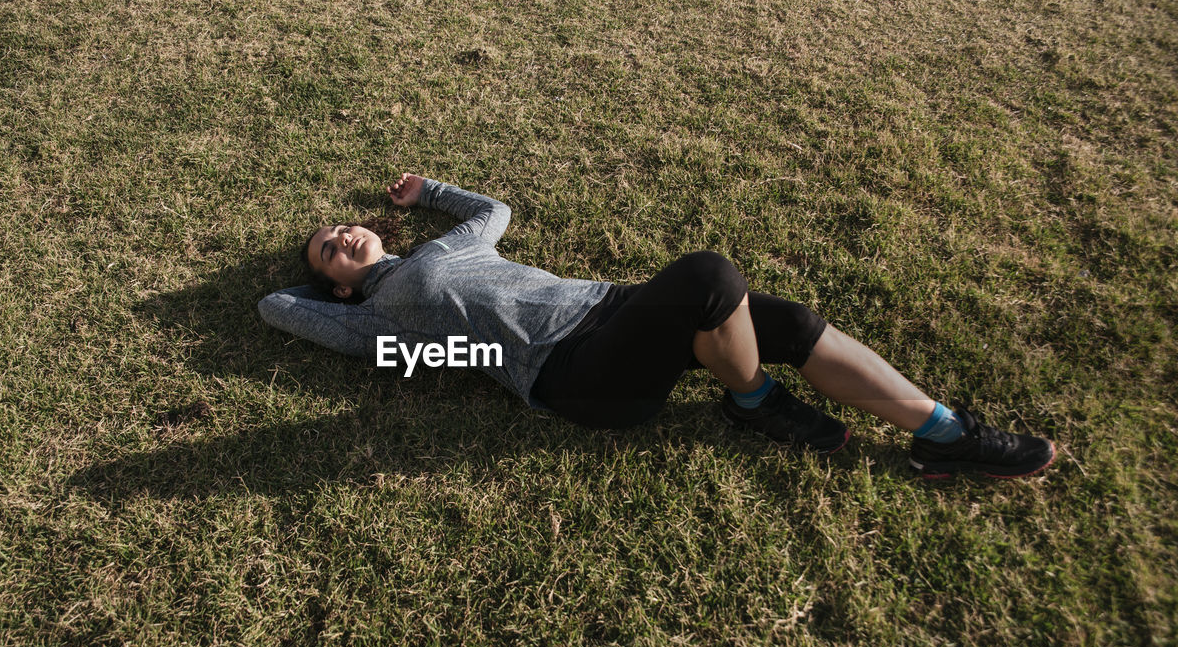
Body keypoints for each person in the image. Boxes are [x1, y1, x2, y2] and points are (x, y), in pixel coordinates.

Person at [258, 173, 1056, 479]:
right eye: (326, 251)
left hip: (612, 308)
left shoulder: (439, 246)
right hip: (570, 374)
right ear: (337, 286)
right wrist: (447, 345)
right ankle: (753, 403)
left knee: (791, 319)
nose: (340, 238)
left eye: (341, 229)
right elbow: (274, 308)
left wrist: (425, 188)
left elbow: (493, 211)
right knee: (710, 278)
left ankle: (943, 432)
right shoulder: (374, 320)